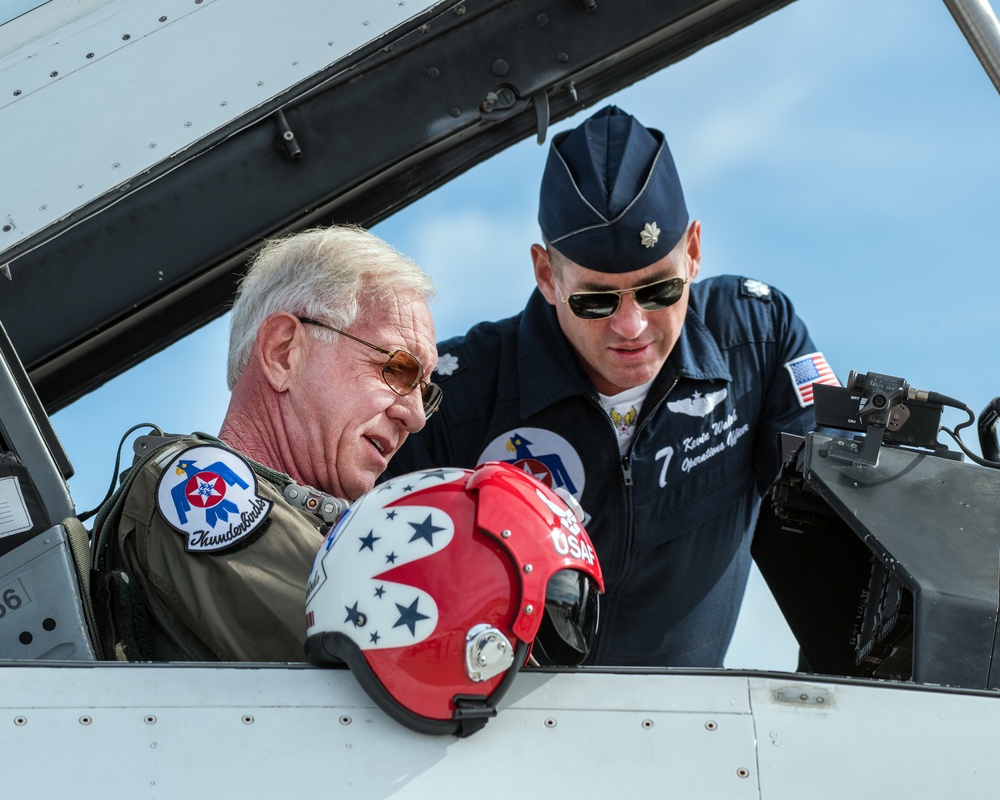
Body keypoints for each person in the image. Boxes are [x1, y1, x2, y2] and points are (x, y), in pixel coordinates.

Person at [385, 105, 838, 668]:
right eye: (596, 300)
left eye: (659, 290)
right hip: (499, 738)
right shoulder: (457, 395)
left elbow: (840, 537)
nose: (632, 326)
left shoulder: (758, 341)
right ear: (547, 275)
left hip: (692, 734)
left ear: (694, 252)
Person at [91, 225, 441, 662]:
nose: (415, 415)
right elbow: (410, 662)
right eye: (397, 369)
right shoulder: (197, 486)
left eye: (424, 390)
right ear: (283, 353)